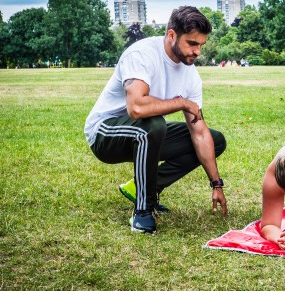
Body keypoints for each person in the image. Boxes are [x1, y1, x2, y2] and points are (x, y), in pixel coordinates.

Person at [84, 6, 227, 234]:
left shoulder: (190, 75)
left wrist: (216, 183)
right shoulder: (142, 54)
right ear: (171, 35)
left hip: (147, 133)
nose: (198, 52)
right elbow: (137, 108)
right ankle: (142, 211)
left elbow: (199, 132)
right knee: (153, 124)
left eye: (201, 45)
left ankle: (143, 187)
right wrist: (181, 102)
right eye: (192, 43)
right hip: (105, 133)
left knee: (215, 139)